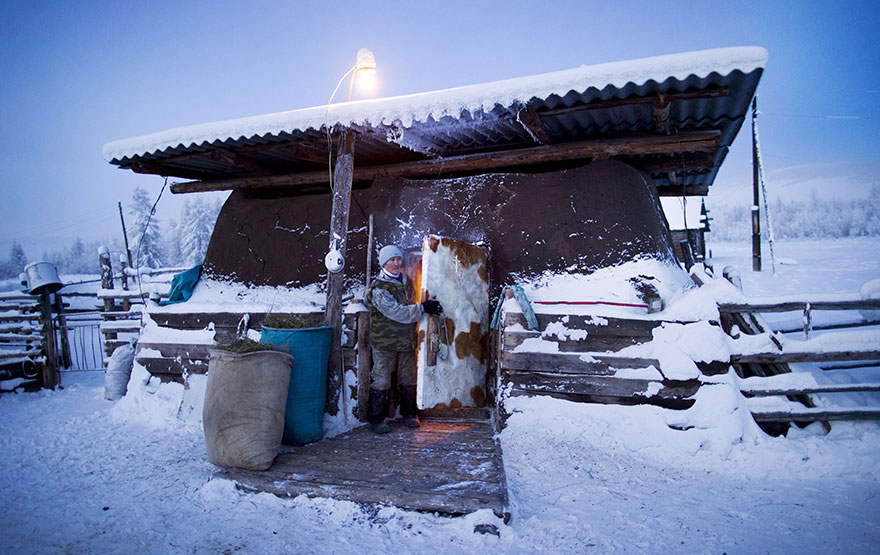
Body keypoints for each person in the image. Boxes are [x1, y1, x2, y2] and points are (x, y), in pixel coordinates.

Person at [365, 244, 442, 434]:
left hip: (406, 340)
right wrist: (423, 308)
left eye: (398, 259)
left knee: (409, 378)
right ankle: (376, 420)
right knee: (381, 379)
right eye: (391, 260)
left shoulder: (406, 281)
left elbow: (411, 303)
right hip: (385, 342)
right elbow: (398, 313)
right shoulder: (379, 289)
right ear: (384, 263)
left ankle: (409, 414)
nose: (396, 263)